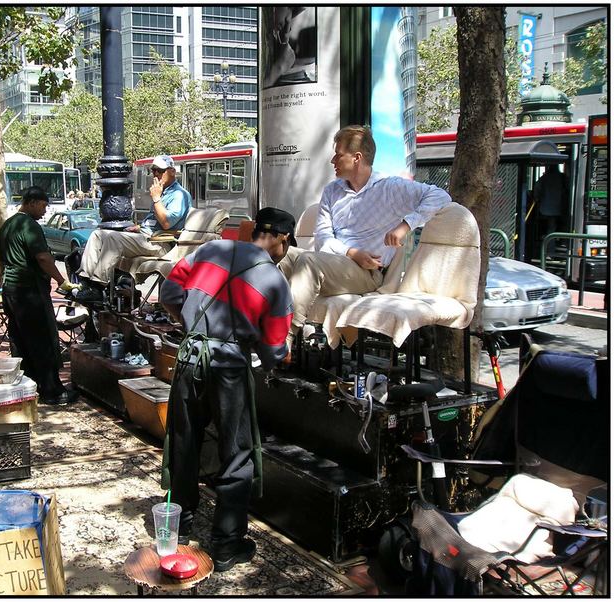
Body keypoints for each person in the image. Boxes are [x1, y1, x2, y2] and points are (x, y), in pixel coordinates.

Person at [159, 207, 295, 573]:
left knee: (184, 441)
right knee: (237, 454)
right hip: (229, 369)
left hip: (188, 360)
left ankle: (180, 524)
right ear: (282, 239)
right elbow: (274, 349)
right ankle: (225, 544)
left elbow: (168, 292)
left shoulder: (209, 250)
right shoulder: (275, 280)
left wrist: (190, 328)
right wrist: (276, 355)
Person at [286, 125, 452, 343]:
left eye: (338, 155)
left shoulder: (390, 188)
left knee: (308, 261)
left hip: (367, 273)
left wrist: (405, 226)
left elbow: (440, 196)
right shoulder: (332, 191)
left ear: (357, 158)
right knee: (277, 254)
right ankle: (251, 334)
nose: (332, 161)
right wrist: (352, 252)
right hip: (335, 262)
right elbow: (323, 240)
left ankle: (284, 339)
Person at [0, 185, 80, 406]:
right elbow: (43, 258)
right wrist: (62, 281)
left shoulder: (7, 225)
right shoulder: (29, 225)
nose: (45, 211)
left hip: (10, 290)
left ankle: (28, 387)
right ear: (31, 203)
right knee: (42, 340)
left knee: (20, 340)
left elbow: (1, 262)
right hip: (28, 291)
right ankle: (52, 391)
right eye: (43, 206)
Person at [76, 154, 191, 304]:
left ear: (172, 171)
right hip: (145, 237)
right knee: (98, 234)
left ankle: (98, 285)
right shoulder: (162, 191)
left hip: (160, 243)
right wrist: (139, 226)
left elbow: (167, 224)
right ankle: (86, 282)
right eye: (153, 170)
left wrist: (156, 199)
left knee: (112, 238)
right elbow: (153, 220)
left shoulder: (179, 195)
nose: (155, 174)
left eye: (160, 171)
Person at [533, 164, 568, 255]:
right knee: (562, 227)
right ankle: (562, 245)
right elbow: (567, 190)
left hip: (546, 209)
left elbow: (537, 188)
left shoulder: (544, 178)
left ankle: (549, 252)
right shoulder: (562, 177)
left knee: (550, 230)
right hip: (560, 209)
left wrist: (537, 198)